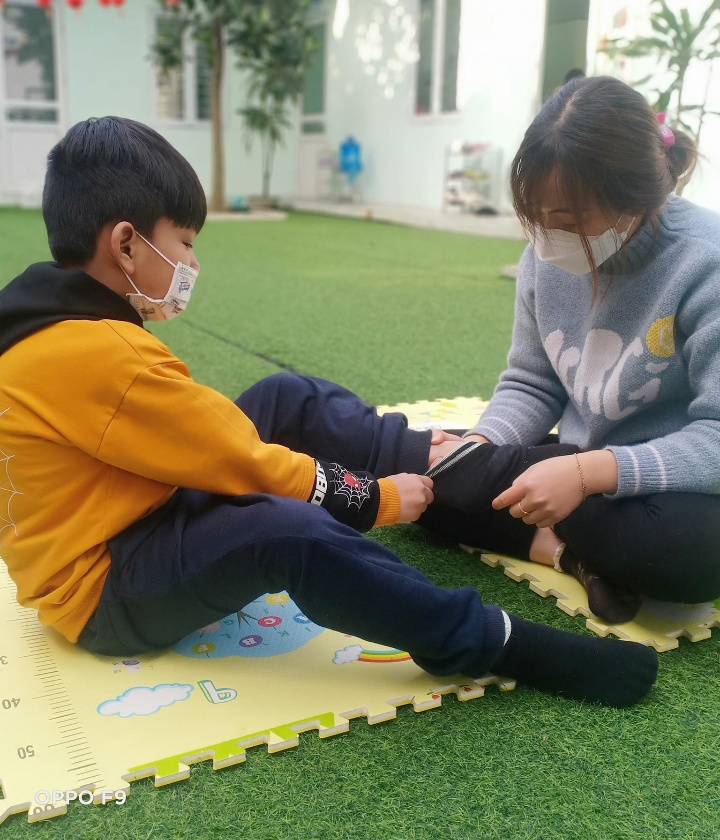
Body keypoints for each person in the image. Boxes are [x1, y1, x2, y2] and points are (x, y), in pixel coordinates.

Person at [0, 116, 657, 709]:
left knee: (281, 400)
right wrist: (376, 499)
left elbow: (204, 436)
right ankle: (489, 638)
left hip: (137, 511)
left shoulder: (54, 322)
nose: (192, 263)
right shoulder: (102, 357)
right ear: (125, 244)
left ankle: (442, 459)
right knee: (289, 532)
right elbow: (242, 462)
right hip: (106, 590)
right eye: (184, 242)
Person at [421, 75, 720, 625]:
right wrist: (482, 447)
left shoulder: (707, 261)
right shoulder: (544, 258)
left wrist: (585, 474)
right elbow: (531, 382)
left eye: (569, 222)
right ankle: (567, 555)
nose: (546, 237)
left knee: (694, 550)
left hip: (669, 486)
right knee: (430, 477)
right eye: (536, 217)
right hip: (573, 465)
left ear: (632, 200)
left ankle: (549, 520)